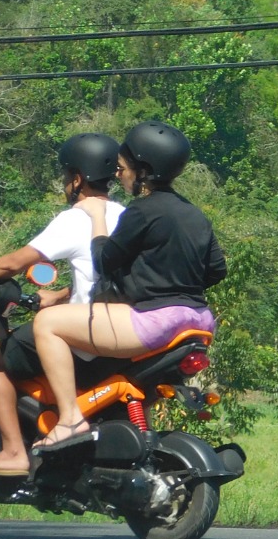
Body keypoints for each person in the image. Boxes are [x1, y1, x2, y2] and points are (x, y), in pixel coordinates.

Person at [29, 120, 226, 448]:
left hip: (154, 322)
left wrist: (96, 218)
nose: (118, 175)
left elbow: (104, 262)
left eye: (122, 167)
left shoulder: (143, 211)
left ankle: (68, 420)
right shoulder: (195, 215)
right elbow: (216, 270)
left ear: (143, 170)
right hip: (199, 320)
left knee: (46, 323)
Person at [0, 133, 125, 474]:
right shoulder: (123, 215)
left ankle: (14, 452)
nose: (64, 183)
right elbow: (104, 276)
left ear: (77, 178)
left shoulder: (78, 217)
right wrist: (59, 296)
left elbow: (14, 263)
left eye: (65, 175)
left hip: (87, 340)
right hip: (119, 333)